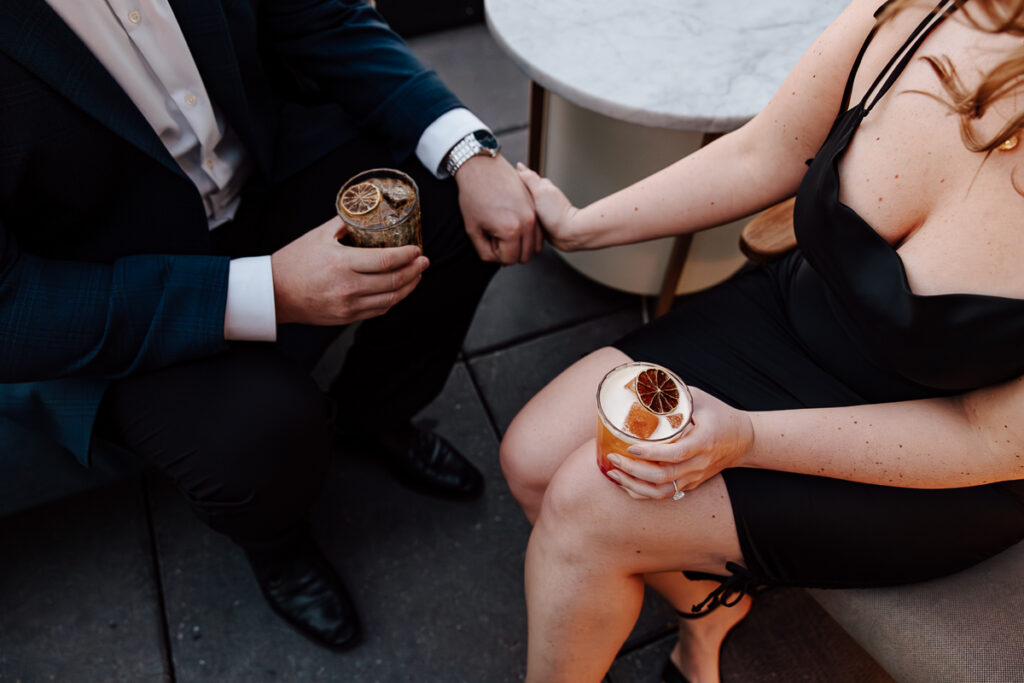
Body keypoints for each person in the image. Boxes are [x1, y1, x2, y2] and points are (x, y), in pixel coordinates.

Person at [501, 0, 1024, 680]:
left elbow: (988, 439)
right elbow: (764, 152)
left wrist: (746, 435)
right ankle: (709, 606)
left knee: (587, 504)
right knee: (532, 458)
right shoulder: (926, 11)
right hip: (793, 321)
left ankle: (691, 627)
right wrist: (578, 225)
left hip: (936, 456)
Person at [0, 0, 536, 651]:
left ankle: (370, 416)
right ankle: (277, 543)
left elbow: (321, 16)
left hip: (260, 168)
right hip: (108, 275)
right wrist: (269, 290)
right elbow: (12, 308)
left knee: (451, 199)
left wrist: (468, 153)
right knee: (262, 438)